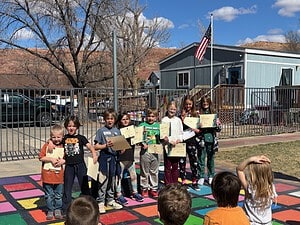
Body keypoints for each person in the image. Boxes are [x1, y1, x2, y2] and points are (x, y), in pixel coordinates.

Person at [62, 115, 98, 212]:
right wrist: (51, 143)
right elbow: (54, 142)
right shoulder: (64, 138)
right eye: (69, 126)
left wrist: (94, 154)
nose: (71, 128)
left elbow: (90, 146)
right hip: (69, 166)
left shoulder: (81, 138)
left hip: (80, 165)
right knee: (67, 187)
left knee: (84, 185)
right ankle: (66, 207)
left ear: (77, 127)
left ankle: (87, 204)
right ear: (66, 127)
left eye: (73, 126)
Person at [94, 109, 123, 213]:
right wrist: (105, 145)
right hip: (104, 158)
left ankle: (110, 200)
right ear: (105, 119)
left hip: (114, 159)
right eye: (108, 119)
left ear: (114, 120)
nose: (110, 121)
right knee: (103, 180)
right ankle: (100, 201)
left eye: (112, 118)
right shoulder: (101, 131)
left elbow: (121, 147)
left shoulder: (117, 131)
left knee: (112, 179)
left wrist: (122, 148)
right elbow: (96, 146)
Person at [236, 155, 278, 225]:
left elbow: (239, 169)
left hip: (251, 222)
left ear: (253, 174)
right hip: (267, 223)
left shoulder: (250, 189)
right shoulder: (271, 188)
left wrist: (250, 159)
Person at [115, 112, 144, 205]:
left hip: (130, 157)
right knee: (119, 176)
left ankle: (135, 192)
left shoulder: (132, 130)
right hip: (121, 159)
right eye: (123, 119)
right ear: (119, 121)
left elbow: (138, 141)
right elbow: (116, 144)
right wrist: (119, 148)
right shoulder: (117, 131)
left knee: (133, 176)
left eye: (127, 119)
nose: (125, 121)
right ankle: (118, 194)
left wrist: (140, 138)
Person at [39, 124, 65, 220]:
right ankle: (50, 210)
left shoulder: (63, 146)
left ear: (62, 136)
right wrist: (51, 159)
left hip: (59, 176)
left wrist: (63, 161)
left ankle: (57, 209)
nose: (56, 139)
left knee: (58, 195)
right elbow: (41, 157)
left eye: (58, 137)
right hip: (47, 175)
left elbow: (66, 157)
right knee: (49, 195)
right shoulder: (46, 145)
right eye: (53, 137)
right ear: (50, 137)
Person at [198, 95, 221, 185]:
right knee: (201, 158)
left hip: (211, 138)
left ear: (209, 103)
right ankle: (201, 175)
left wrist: (217, 125)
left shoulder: (214, 113)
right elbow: (195, 126)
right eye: (203, 102)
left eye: (207, 102)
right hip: (201, 139)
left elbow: (219, 128)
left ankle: (211, 175)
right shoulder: (199, 113)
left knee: (211, 158)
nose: (205, 104)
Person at [179, 95, 201, 190]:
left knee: (194, 161)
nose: (188, 106)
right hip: (183, 140)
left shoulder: (195, 114)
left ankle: (194, 180)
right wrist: (182, 119)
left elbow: (200, 129)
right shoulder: (180, 114)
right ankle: (183, 180)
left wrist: (196, 129)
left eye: (190, 104)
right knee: (182, 161)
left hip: (192, 141)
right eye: (187, 104)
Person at [139, 108, 160, 198]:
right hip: (145, 152)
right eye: (149, 116)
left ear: (156, 117)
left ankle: (154, 188)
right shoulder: (142, 125)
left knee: (154, 171)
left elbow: (162, 138)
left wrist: (165, 138)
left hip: (155, 151)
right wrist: (142, 143)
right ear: (146, 117)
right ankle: (144, 188)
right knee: (144, 171)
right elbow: (137, 138)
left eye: (153, 116)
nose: (150, 118)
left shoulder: (159, 126)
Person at [161, 101, 183, 185]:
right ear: (167, 109)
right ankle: (168, 183)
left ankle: (175, 183)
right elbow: (163, 134)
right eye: (171, 109)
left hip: (176, 146)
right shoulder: (164, 120)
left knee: (175, 166)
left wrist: (179, 140)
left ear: (176, 110)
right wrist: (169, 140)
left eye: (174, 109)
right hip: (167, 146)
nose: (172, 111)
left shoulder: (178, 120)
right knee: (167, 166)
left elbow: (181, 133)